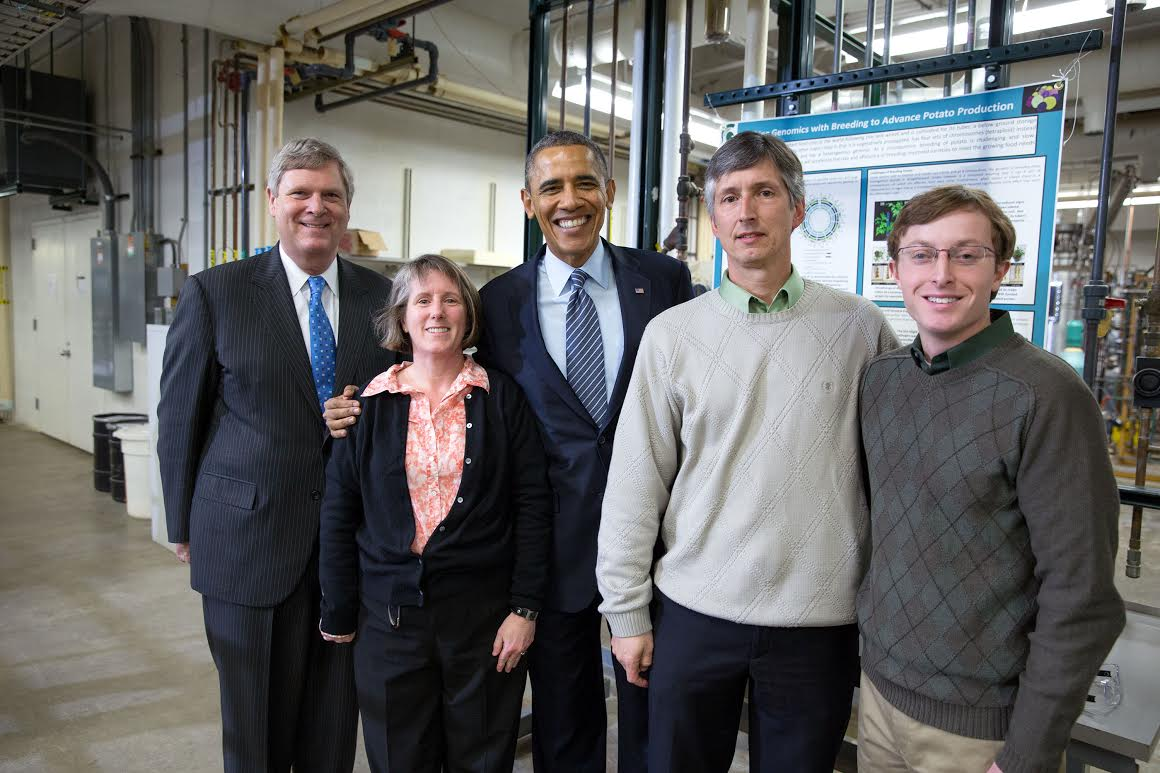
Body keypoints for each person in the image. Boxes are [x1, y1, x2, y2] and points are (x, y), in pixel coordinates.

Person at [326, 130, 693, 772]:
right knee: (564, 714)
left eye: (584, 183)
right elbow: (436, 367)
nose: (568, 200)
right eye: (550, 187)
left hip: (658, 536)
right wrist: (353, 402)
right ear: (529, 201)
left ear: (608, 192)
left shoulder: (663, 280)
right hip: (551, 546)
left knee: (654, 709)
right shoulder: (500, 302)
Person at [595, 130, 898, 773]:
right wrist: (626, 613)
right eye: (729, 197)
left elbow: (893, 480)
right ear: (713, 219)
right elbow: (634, 481)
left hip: (819, 620)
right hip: (695, 612)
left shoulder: (861, 329)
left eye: (764, 192)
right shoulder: (671, 335)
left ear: (797, 208)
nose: (747, 211)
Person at [856, 184, 1125, 773]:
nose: (941, 274)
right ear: (895, 270)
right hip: (877, 703)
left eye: (966, 254)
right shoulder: (881, 381)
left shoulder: (1047, 396)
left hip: (982, 736)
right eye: (922, 254)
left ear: (1002, 270)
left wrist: (1028, 751)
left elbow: (1082, 598)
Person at [157, 137, 399, 773]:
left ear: (347, 208)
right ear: (272, 202)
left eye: (330, 195)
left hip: (350, 550)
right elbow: (182, 413)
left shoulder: (385, 301)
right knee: (255, 731)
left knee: (330, 729)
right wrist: (181, 523)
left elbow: (402, 408)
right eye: (300, 193)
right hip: (245, 542)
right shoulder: (216, 293)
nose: (315, 207)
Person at [318, 254, 552, 773]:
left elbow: (533, 506)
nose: (437, 312)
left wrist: (525, 609)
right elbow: (339, 512)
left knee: (483, 755)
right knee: (400, 756)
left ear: (467, 315)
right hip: (389, 619)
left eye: (450, 299)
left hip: (485, 621)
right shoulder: (368, 405)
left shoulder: (501, 399)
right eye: (422, 300)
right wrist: (338, 607)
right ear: (402, 316)